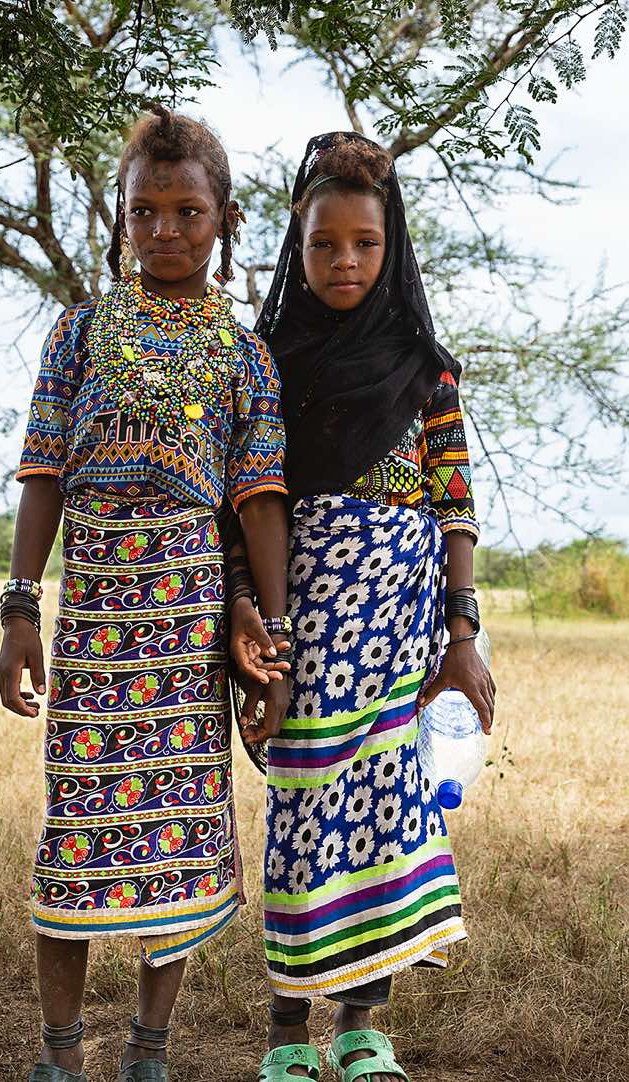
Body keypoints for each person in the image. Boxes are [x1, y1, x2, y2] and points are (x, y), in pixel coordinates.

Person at [0, 106, 291, 1082]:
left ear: (224, 219)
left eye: (187, 212)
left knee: (175, 833)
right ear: (117, 220)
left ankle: (146, 1051)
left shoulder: (244, 354)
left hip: (184, 624)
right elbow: (43, 472)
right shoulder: (78, 332)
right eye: (144, 212)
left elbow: (256, 502)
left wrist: (272, 629)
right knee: (76, 834)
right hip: (95, 618)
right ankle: (56, 1054)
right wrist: (18, 608)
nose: (165, 231)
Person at [234, 132, 496, 1082]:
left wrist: (460, 635)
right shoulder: (266, 363)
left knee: (384, 816)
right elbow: (246, 504)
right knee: (306, 813)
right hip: (298, 624)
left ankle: (364, 1031)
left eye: (365, 244)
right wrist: (250, 624)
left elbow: (454, 506)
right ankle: (285, 1039)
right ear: (294, 252)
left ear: (395, 250)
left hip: (401, 627)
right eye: (323, 244)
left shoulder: (426, 368)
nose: (344, 261)